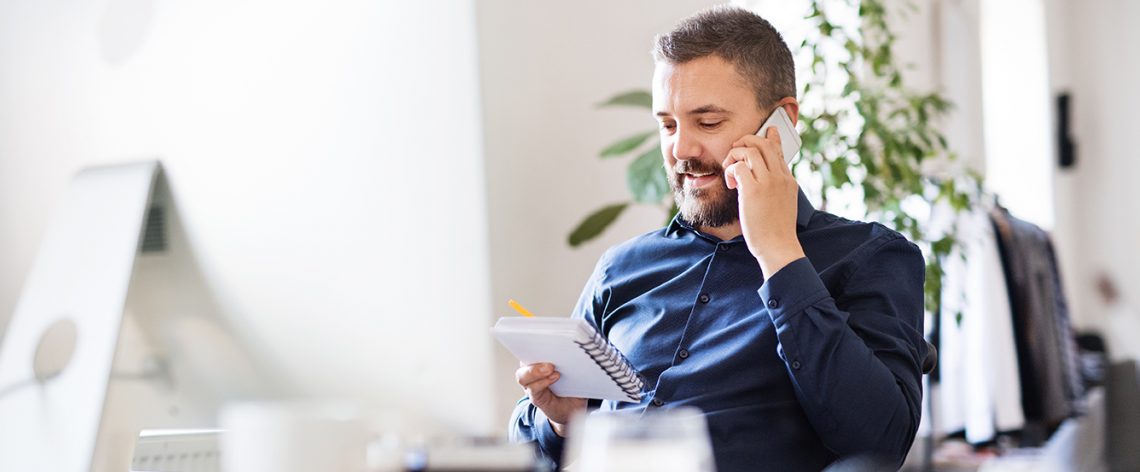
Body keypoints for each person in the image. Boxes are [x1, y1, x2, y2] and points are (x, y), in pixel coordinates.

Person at [509, 6, 927, 471]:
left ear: (781, 124)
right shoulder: (622, 267)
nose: (681, 150)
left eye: (707, 123)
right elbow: (532, 444)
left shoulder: (871, 257)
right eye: (668, 125)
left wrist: (779, 253)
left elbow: (880, 441)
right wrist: (564, 424)